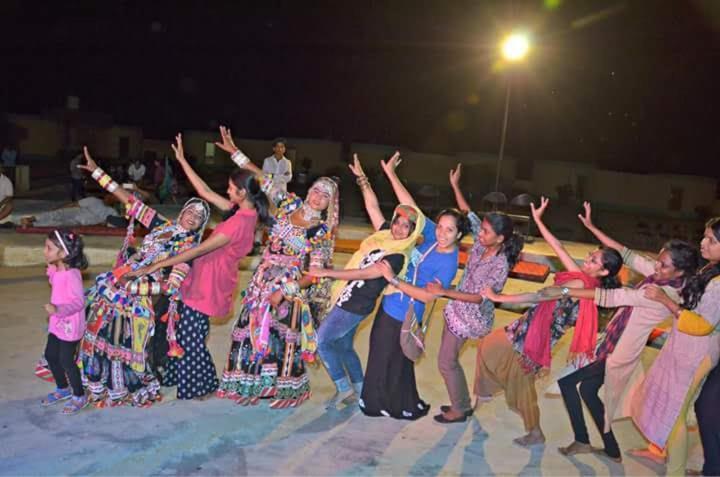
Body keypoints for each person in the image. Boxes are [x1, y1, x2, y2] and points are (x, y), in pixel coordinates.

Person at [546, 203, 698, 462]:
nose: (656, 267)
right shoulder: (662, 277)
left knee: (568, 382)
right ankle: (610, 449)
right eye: (658, 261)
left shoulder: (665, 292)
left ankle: (585, 441)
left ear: (680, 271)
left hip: (619, 351)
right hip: (612, 343)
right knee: (587, 391)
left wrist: (565, 291)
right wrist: (593, 227)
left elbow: (613, 295)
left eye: (663, 265)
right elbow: (627, 255)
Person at [128, 133, 271, 400]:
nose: (227, 191)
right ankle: (185, 378)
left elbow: (196, 250)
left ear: (241, 192)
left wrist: (152, 266)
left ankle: (200, 385)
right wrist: (182, 160)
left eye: (230, 188)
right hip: (206, 276)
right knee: (183, 332)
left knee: (190, 337)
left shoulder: (237, 223)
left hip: (209, 283)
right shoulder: (243, 211)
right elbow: (204, 192)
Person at [474, 197, 623, 446]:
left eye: (594, 260)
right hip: (528, 327)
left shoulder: (581, 284)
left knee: (520, 386)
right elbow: (559, 249)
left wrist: (499, 297)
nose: (587, 259)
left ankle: (534, 432)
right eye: (590, 256)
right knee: (490, 349)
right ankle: (484, 394)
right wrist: (539, 220)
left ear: (604, 272)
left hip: (535, 337)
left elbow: (538, 296)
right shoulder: (582, 278)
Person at [214, 126, 338, 408]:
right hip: (261, 278)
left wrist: (285, 290)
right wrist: (234, 151)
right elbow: (262, 177)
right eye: (317, 190)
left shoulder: (319, 231)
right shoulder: (288, 203)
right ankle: (249, 384)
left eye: (325, 196)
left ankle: (287, 391)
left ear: (329, 204)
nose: (318, 197)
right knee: (250, 328)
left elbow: (314, 274)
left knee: (279, 337)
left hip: (287, 284)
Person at [77, 147, 210, 407]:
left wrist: (136, 287)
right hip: (122, 279)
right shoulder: (161, 225)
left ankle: (129, 384)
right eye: (190, 211)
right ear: (181, 211)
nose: (192, 217)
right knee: (102, 330)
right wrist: (96, 172)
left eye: (199, 217)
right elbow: (129, 201)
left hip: (145, 294)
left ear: (200, 225)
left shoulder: (189, 247)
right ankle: (101, 381)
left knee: (127, 340)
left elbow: (171, 286)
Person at [363, 154, 469, 420]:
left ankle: (394, 404)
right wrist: (391, 174)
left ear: (459, 234)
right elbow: (412, 208)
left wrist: (394, 280)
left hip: (406, 312)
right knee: (380, 353)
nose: (442, 233)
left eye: (449, 230)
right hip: (391, 303)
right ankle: (378, 401)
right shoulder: (432, 237)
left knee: (394, 360)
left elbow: (427, 296)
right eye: (441, 227)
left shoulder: (448, 263)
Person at [423, 164, 524, 424]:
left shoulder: (500, 265)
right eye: (481, 229)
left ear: (500, 238)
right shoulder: (482, 243)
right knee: (449, 360)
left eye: (486, 231)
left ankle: (460, 408)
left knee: (446, 362)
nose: (480, 233)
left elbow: (481, 298)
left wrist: (445, 292)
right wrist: (455, 185)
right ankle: (462, 402)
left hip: (472, 316)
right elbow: (467, 214)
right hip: (458, 307)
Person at [310, 195, 424, 409]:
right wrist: (362, 181)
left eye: (405, 226)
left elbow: (367, 273)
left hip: (355, 304)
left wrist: (326, 272)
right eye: (397, 223)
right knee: (344, 346)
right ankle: (361, 391)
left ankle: (343, 388)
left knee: (322, 341)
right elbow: (372, 206)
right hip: (349, 297)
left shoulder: (398, 255)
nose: (398, 229)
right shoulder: (384, 241)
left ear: (412, 231)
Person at [633, 217, 720, 476]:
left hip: (699, 350)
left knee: (676, 415)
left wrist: (666, 301)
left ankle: (676, 471)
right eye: (704, 236)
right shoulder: (711, 270)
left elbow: (702, 324)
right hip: (689, 346)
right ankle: (668, 458)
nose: (703, 243)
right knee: (675, 410)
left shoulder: (718, 284)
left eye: (712, 240)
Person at [39, 229, 89, 414]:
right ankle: (63, 389)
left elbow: (78, 302)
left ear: (64, 254)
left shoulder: (73, 274)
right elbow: (55, 283)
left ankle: (79, 395)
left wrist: (59, 310)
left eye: (49, 248)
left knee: (66, 360)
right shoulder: (60, 271)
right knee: (51, 356)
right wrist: (51, 268)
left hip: (70, 325)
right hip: (57, 323)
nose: (45, 251)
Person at [20, 196, 119, 228]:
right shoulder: (93, 200)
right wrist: (59, 208)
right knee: (56, 214)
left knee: (59, 223)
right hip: (76, 212)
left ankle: (32, 225)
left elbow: (112, 224)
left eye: (113, 197)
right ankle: (32, 219)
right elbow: (74, 204)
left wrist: (100, 224)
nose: (109, 198)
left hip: (81, 221)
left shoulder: (112, 212)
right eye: (109, 195)